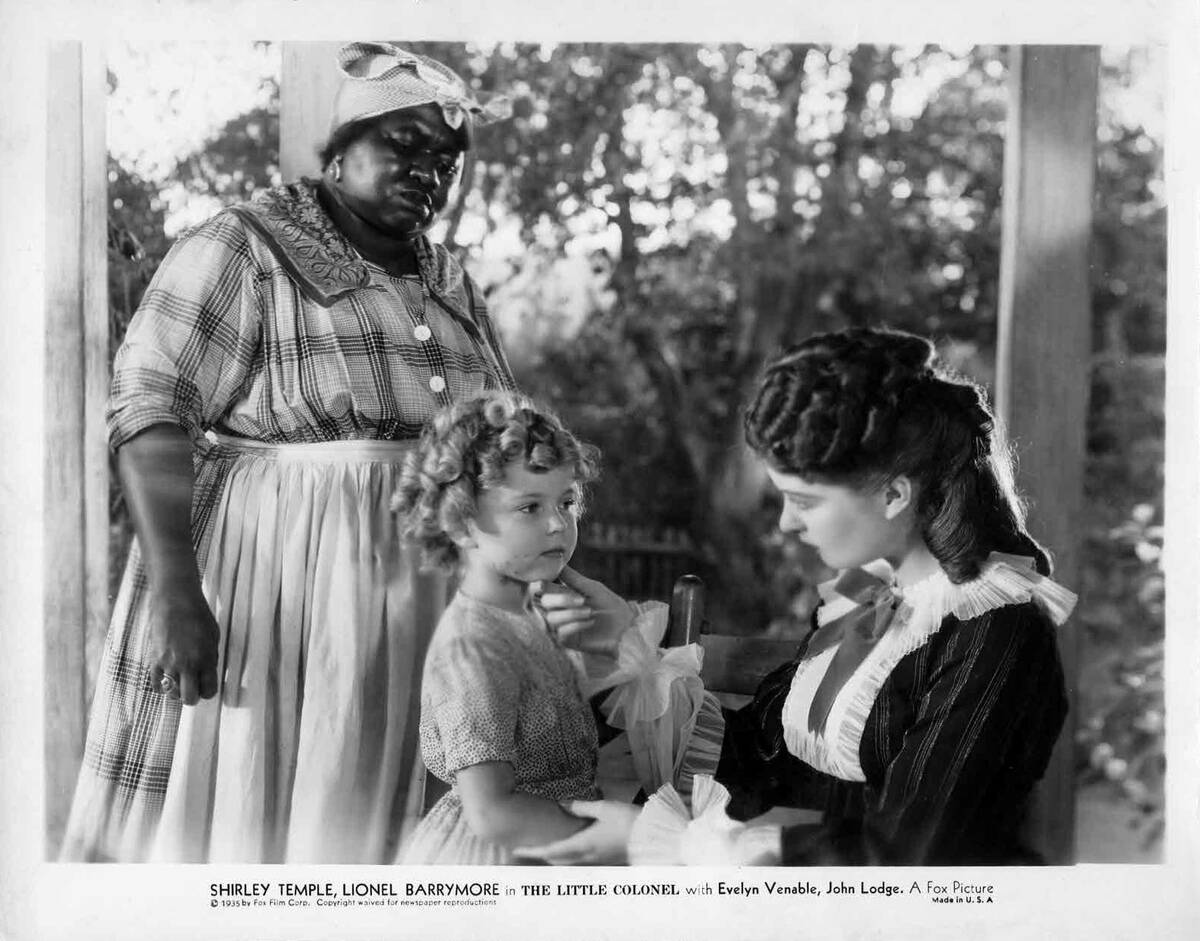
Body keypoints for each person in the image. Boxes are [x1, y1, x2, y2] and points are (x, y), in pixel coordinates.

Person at [60, 42, 516, 863]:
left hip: (426, 603)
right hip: (283, 586)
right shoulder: (243, 248)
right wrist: (175, 591)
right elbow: (152, 408)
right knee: (279, 807)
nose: (429, 173)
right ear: (340, 151)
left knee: (396, 813)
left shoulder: (447, 278)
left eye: (444, 161)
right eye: (405, 146)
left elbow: (502, 441)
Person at [520, 326, 1077, 866]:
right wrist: (630, 653)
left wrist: (668, 844)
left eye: (804, 501)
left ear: (894, 494)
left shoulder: (996, 632)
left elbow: (911, 861)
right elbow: (764, 762)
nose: (787, 523)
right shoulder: (862, 598)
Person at [393, 392, 722, 865]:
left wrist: (612, 636)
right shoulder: (475, 646)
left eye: (566, 502)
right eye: (529, 507)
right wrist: (640, 836)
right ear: (463, 525)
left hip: (557, 836)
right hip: (502, 857)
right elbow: (492, 812)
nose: (557, 524)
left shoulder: (536, 618)